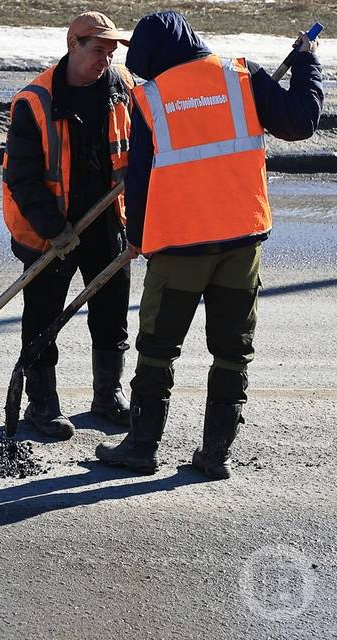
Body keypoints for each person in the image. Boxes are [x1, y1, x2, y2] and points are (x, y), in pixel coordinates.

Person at [96, 11, 323, 478]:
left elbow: (140, 179)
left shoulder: (151, 98)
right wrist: (307, 63)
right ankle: (216, 454)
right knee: (232, 350)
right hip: (241, 241)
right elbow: (301, 121)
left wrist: (137, 239)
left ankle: (142, 448)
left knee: (158, 346)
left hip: (180, 245)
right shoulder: (242, 76)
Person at [2, 11, 134, 439]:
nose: (105, 60)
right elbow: (21, 177)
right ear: (72, 44)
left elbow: (142, 150)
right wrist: (53, 229)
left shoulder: (122, 87)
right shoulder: (35, 101)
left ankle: (108, 394)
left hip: (107, 220)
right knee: (43, 316)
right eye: (98, 50)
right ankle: (42, 403)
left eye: (111, 52)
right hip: (51, 230)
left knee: (112, 311)